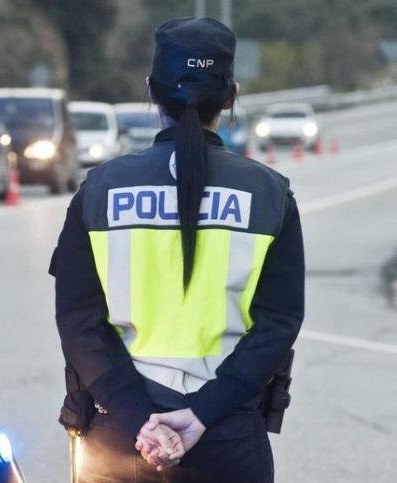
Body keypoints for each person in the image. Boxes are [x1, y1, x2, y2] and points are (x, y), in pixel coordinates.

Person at [51, 17, 304, 482]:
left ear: (151, 91)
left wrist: (139, 419)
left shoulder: (99, 190)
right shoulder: (270, 195)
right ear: (231, 96)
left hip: (116, 437)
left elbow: (78, 321)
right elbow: (278, 324)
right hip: (227, 435)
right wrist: (202, 414)